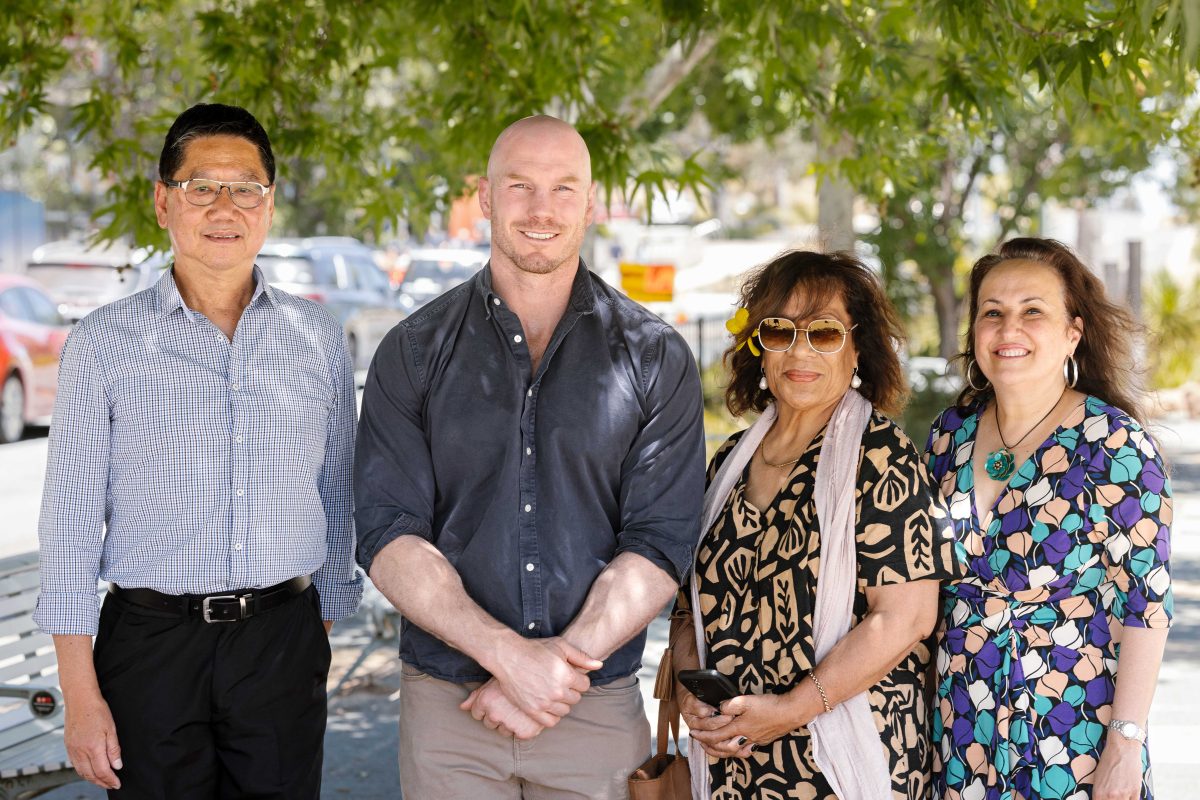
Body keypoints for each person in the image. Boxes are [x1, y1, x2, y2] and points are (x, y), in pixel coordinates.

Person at [354, 115, 706, 799]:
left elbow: (661, 542)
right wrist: (508, 658)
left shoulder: (654, 356)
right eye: (520, 186)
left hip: (594, 708)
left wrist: (552, 673)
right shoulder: (414, 351)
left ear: (591, 202)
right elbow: (388, 533)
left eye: (563, 188)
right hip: (450, 712)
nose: (541, 208)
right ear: (486, 198)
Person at [35, 103, 362, 798]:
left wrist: (319, 627)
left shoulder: (318, 336)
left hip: (282, 641)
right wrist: (80, 693)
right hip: (150, 649)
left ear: (269, 205)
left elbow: (336, 489)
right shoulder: (102, 344)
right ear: (163, 202)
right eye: (201, 186)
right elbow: (70, 522)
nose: (224, 206)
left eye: (245, 188)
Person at [672, 250, 961, 800]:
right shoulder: (729, 461)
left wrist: (788, 711)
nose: (800, 351)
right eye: (780, 331)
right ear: (759, 346)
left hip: (840, 764)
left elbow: (906, 618)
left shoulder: (882, 458)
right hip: (733, 763)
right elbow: (689, 608)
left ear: (858, 348)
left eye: (824, 333)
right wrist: (692, 694)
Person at [925, 237, 1173, 800]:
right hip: (959, 725)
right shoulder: (949, 435)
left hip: (1070, 729)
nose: (1008, 329)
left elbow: (1146, 606)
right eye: (992, 312)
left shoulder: (1114, 444)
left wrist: (1124, 744)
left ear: (1072, 333)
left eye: (1032, 311)